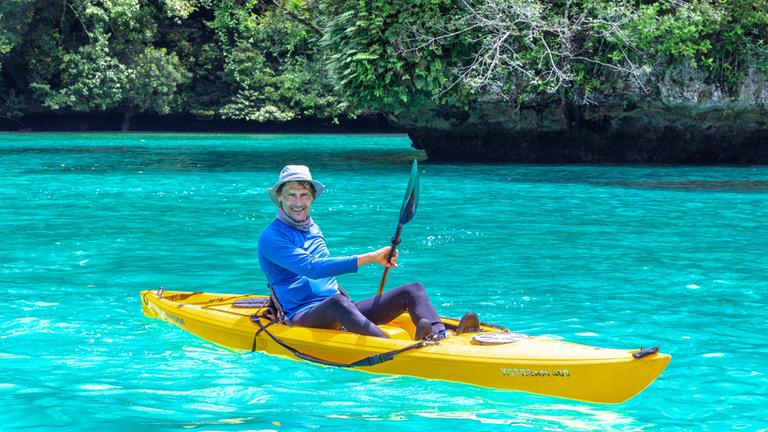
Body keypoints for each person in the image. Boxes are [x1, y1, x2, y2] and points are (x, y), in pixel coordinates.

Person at [257, 165, 475, 340]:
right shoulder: (271, 237)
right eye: (291, 195)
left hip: (341, 309)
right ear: (280, 198)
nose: (298, 202)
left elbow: (323, 268)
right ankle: (391, 346)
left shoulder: (313, 228)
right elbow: (312, 268)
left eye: (304, 195)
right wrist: (371, 257)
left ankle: (439, 336)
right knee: (337, 302)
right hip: (302, 315)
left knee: (413, 289)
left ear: (312, 198)